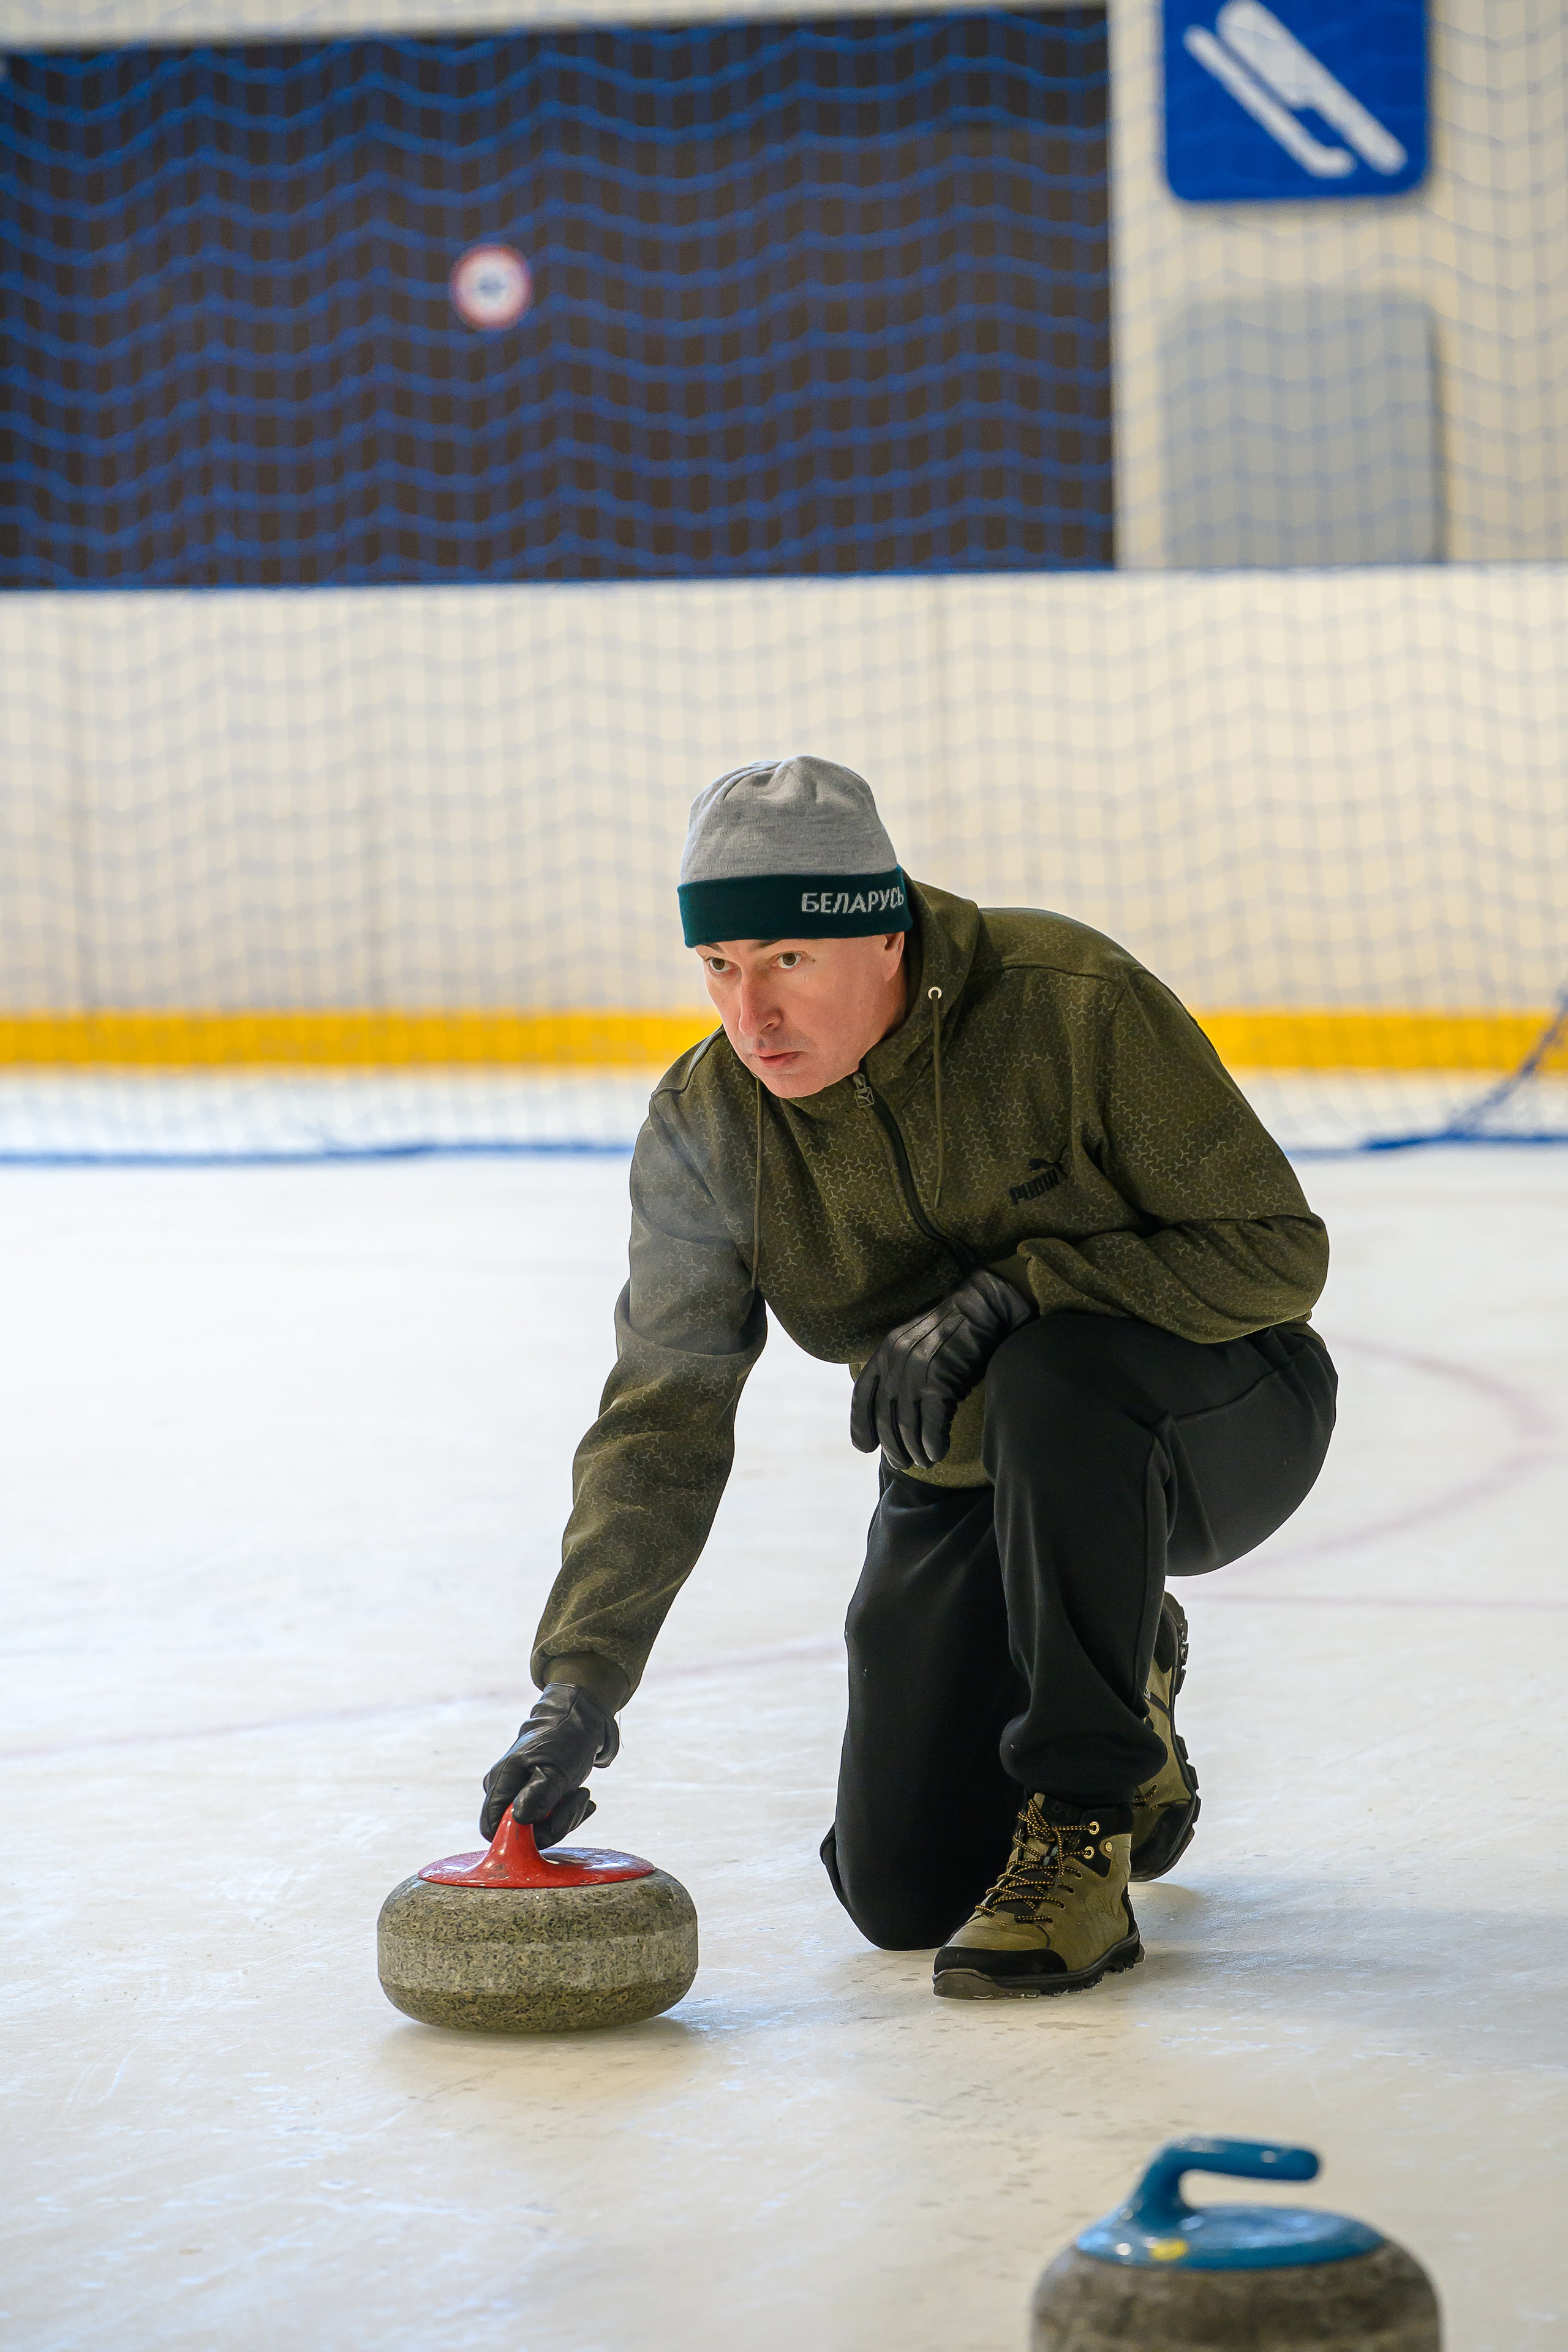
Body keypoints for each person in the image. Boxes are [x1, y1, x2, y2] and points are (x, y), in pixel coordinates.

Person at [480, 756, 1335, 2000]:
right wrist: (578, 1686)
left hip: (1215, 1422)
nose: (750, 1016)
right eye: (719, 969)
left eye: (786, 963)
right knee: (902, 1894)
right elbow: (662, 1417)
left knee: (1051, 1375)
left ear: (879, 934)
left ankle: (1085, 1822)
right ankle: (1121, 1663)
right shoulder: (710, 1125)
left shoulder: (1063, 1003)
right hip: (970, 1471)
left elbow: (1275, 1254)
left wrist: (1015, 1289)